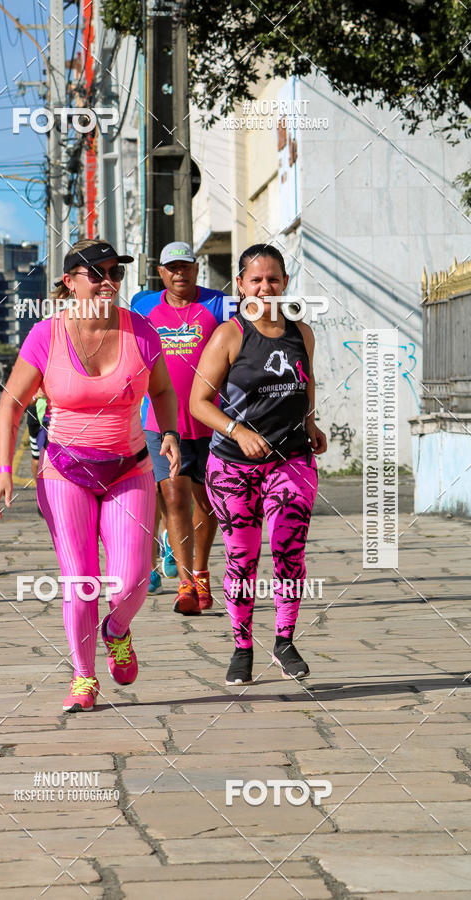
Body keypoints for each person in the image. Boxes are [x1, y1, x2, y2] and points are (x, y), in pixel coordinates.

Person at [0, 239, 179, 713]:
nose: (106, 281)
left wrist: (171, 431)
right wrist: (4, 470)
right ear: (69, 283)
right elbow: (10, 407)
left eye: (114, 272)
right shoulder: (45, 336)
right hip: (64, 473)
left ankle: (116, 630)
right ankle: (83, 677)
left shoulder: (141, 332)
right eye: (94, 273)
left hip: (128, 469)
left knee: (133, 578)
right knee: (80, 580)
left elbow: (162, 390)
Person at [190, 243, 327, 685]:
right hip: (233, 467)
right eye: (256, 280)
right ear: (242, 284)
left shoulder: (301, 333)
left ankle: (285, 639)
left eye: (273, 279)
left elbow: (304, 387)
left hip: (292, 458)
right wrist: (238, 432)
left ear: (285, 282)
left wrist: (312, 422)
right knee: (241, 557)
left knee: (289, 549)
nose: (265, 287)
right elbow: (199, 403)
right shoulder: (230, 335)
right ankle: (242, 645)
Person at [132, 241, 225, 615]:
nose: (179, 273)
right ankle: (185, 582)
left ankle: (201, 571)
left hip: (211, 420)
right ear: (161, 272)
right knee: (173, 498)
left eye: (185, 266)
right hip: (160, 422)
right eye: (171, 267)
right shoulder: (143, 305)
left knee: (208, 501)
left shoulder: (219, 304)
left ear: (196, 267)